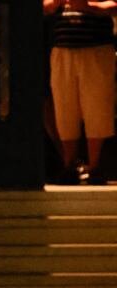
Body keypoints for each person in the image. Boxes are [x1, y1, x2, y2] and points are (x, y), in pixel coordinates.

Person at [44, 0, 117, 184]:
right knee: (65, 107)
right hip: (62, 48)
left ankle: (95, 166)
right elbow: (41, 8)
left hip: (97, 47)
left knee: (97, 106)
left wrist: (89, 7)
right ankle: (69, 165)